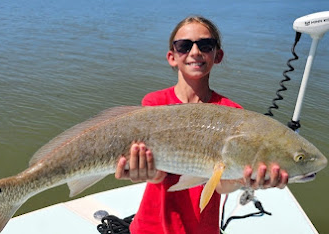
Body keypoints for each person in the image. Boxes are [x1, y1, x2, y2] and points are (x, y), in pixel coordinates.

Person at [114, 16, 288, 234]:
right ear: (172, 56)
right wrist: (143, 171)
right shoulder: (155, 104)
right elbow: (158, 176)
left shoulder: (233, 113)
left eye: (205, 45)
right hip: (151, 227)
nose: (195, 52)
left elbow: (222, 184)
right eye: (184, 46)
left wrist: (247, 179)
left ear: (218, 55)